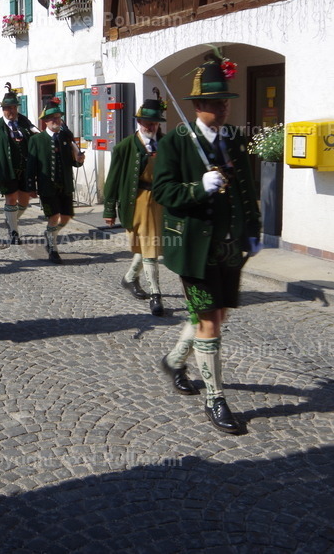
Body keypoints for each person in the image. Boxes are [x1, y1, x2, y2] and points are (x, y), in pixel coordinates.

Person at [152, 50, 262, 435]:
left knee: (217, 316)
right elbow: (164, 191)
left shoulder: (232, 139)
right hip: (194, 251)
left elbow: (246, 188)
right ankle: (216, 399)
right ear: (198, 105)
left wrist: (253, 228)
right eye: (215, 102)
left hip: (228, 247)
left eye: (225, 101)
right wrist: (198, 187)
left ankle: (174, 360)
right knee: (210, 322)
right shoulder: (177, 142)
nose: (223, 108)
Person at [103, 94, 168, 316]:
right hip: (137, 200)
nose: (150, 126)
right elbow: (112, 179)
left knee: (151, 244)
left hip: (160, 202)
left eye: (154, 123)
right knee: (150, 246)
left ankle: (130, 278)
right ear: (138, 122)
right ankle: (156, 294)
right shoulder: (124, 147)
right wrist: (109, 209)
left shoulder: (166, 142)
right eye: (146, 122)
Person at [26, 101, 85, 263]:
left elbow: (75, 162)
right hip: (47, 186)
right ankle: (53, 248)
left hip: (65, 184)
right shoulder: (37, 140)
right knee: (54, 216)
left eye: (58, 118)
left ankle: (50, 234)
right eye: (52, 118)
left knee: (66, 217)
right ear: (45, 121)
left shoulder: (66, 137)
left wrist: (80, 160)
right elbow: (31, 165)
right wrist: (30, 186)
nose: (56, 121)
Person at [0, 84, 37, 244]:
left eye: (14, 107)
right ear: (3, 109)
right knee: (11, 198)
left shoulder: (24, 123)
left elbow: (34, 140)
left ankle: (10, 219)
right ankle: (14, 232)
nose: (11, 111)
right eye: (8, 108)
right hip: (5, 169)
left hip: (24, 169)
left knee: (25, 201)